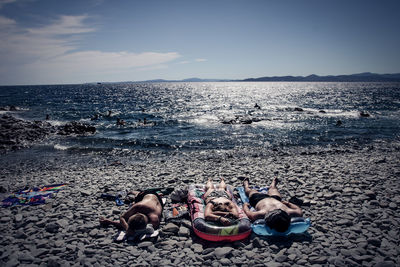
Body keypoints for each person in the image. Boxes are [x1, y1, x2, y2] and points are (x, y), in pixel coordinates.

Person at [99, 190, 163, 237]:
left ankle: (134, 192)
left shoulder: (154, 219)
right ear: (137, 212)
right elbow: (122, 217)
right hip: (146, 198)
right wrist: (127, 227)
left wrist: (112, 222)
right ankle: (132, 192)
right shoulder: (137, 207)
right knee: (135, 198)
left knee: (136, 197)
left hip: (150, 195)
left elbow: (138, 229)